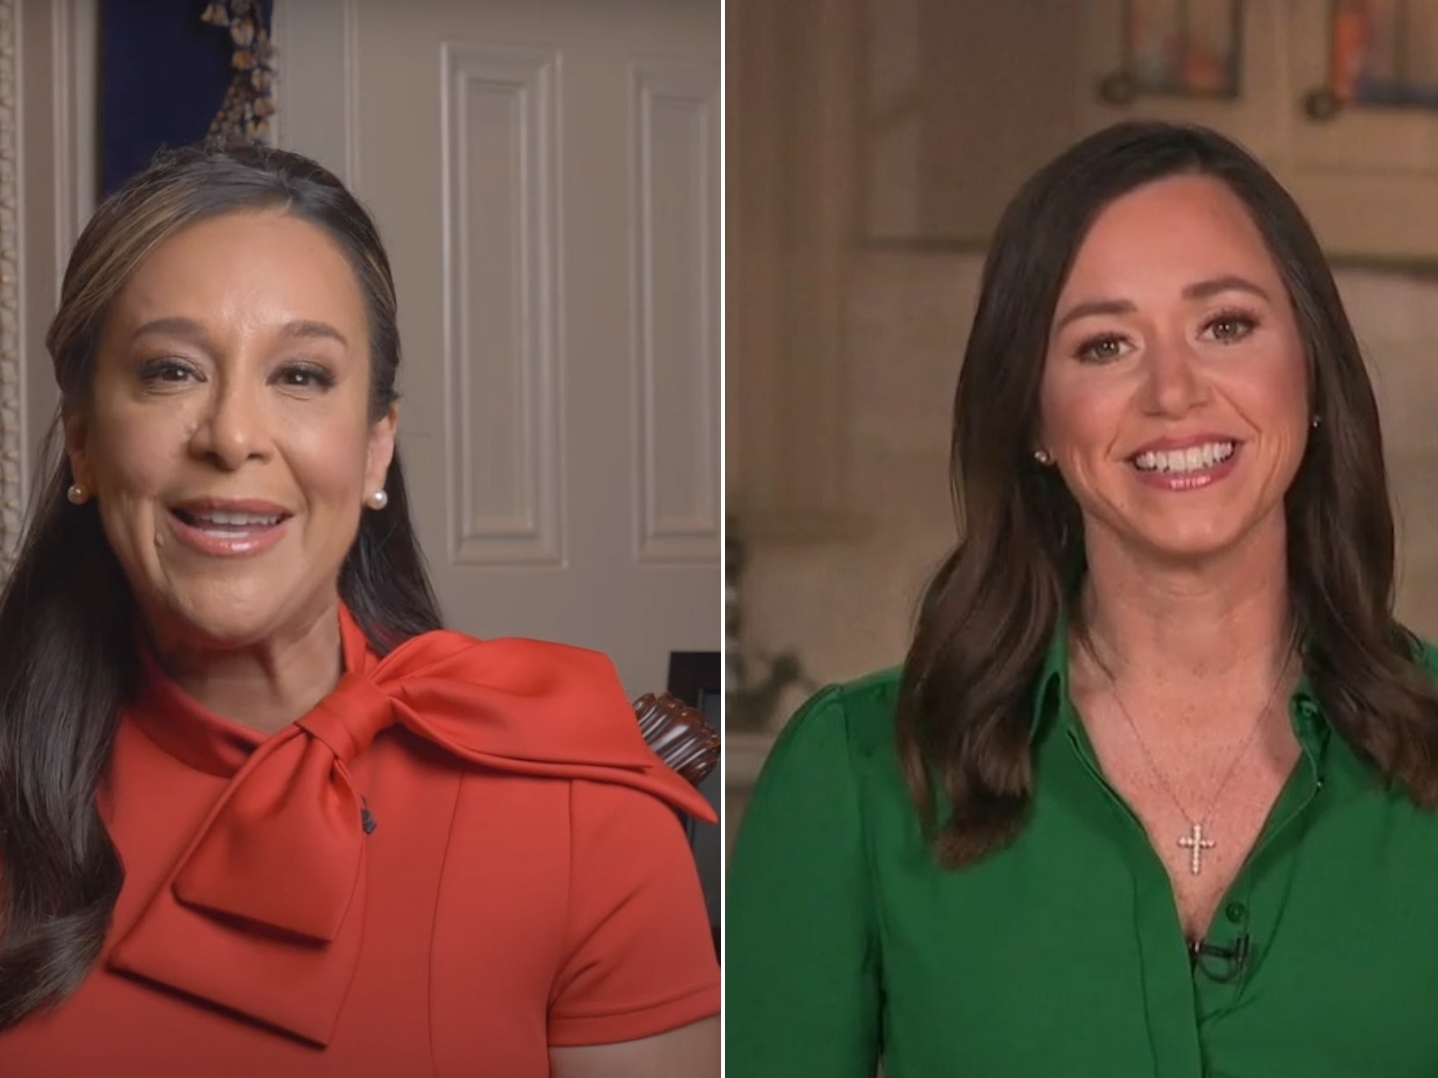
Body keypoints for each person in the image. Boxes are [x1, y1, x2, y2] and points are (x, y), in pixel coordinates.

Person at [726, 120, 1438, 1078]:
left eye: (1225, 326)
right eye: (1105, 346)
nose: (1174, 392)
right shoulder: (856, 782)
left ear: (1311, 371)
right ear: (1034, 418)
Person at [0, 144, 720, 1078]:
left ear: (377, 450)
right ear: (87, 445)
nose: (232, 435)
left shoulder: (582, 815)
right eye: (171, 371)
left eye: (301, 376)